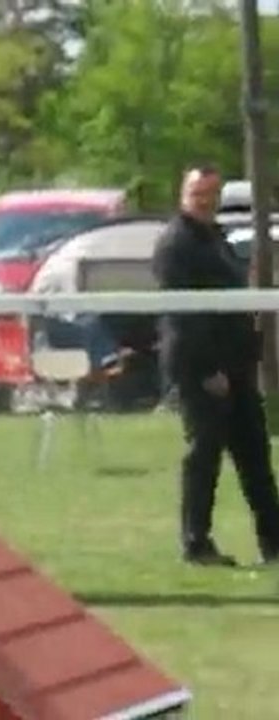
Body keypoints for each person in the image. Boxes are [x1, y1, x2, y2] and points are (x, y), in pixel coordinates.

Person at [152, 164, 279, 566]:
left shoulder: (215, 236)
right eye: (198, 193)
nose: (206, 201)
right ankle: (196, 542)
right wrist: (209, 370)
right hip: (201, 368)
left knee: (255, 455)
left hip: (236, 366)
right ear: (183, 195)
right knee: (204, 455)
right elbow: (184, 316)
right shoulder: (176, 244)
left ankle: (273, 541)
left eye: (211, 193)